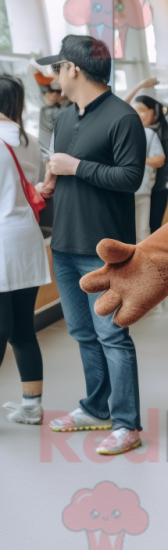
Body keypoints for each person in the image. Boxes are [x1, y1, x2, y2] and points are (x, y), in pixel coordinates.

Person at [35, 35, 146, 455]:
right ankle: (96, 408)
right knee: (83, 332)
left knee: (112, 335)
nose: (54, 76)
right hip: (64, 243)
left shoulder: (123, 118)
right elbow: (66, 171)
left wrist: (76, 167)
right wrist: (53, 179)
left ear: (74, 70)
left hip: (103, 250)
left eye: (57, 68)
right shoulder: (64, 118)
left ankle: (126, 424)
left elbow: (129, 178)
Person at [0, 75, 50, 425]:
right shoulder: (29, 141)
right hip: (27, 240)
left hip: (1, 240)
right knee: (22, 330)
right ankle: (32, 408)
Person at [132, 95, 168, 233]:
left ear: (154, 111)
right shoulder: (137, 130)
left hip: (158, 186)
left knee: (151, 226)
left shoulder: (163, 129)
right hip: (141, 186)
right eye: (136, 111)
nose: (139, 115)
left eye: (143, 110)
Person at [132, 102, 165, 243]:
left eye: (142, 113)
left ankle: (140, 263)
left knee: (142, 231)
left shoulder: (149, 134)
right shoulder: (118, 132)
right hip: (120, 191)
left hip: (143, 189)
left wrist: (138, 158)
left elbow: (159, 160)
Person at [36, 72, 69, 149]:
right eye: (51, 91)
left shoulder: (63, 110)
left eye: (58, 92)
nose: (54, 94)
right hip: (44, 148)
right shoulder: (43, 109)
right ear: (45, 93)